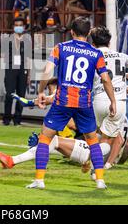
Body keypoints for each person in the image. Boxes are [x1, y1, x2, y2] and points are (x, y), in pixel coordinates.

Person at [28, 16, 116, 190]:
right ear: (89, 33)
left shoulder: (60, 48)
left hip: (63, 101)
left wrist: (40, 92)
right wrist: (112, 101)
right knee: (92, 141)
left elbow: (47, 70)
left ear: (72, 32)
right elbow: (106, 79)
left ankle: (39, 180)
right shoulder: (96, 53)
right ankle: (99, 180)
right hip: (84, 102)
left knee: (45, 138)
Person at [90, 26, 128, 169]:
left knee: (109, 135)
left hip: (98, 100)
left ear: (93, 44)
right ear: (109, 43)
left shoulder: (91, 56)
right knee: (107, 138)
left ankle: (105, 163)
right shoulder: (121, 56)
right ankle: (96, 165)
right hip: (117, 101)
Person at [0, 17, 32, 126]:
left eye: (20, 25)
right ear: (13, 27)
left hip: (23, 69)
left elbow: (28, 58)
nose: (18, 27)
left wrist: (29, 75)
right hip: (11, 68)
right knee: (9, 94)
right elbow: (3, 56)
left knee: (21, 95)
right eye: (16, 25)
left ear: (24, 27)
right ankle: (6, 119)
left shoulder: (27, 41)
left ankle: (17, 120)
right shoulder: (7, 40)